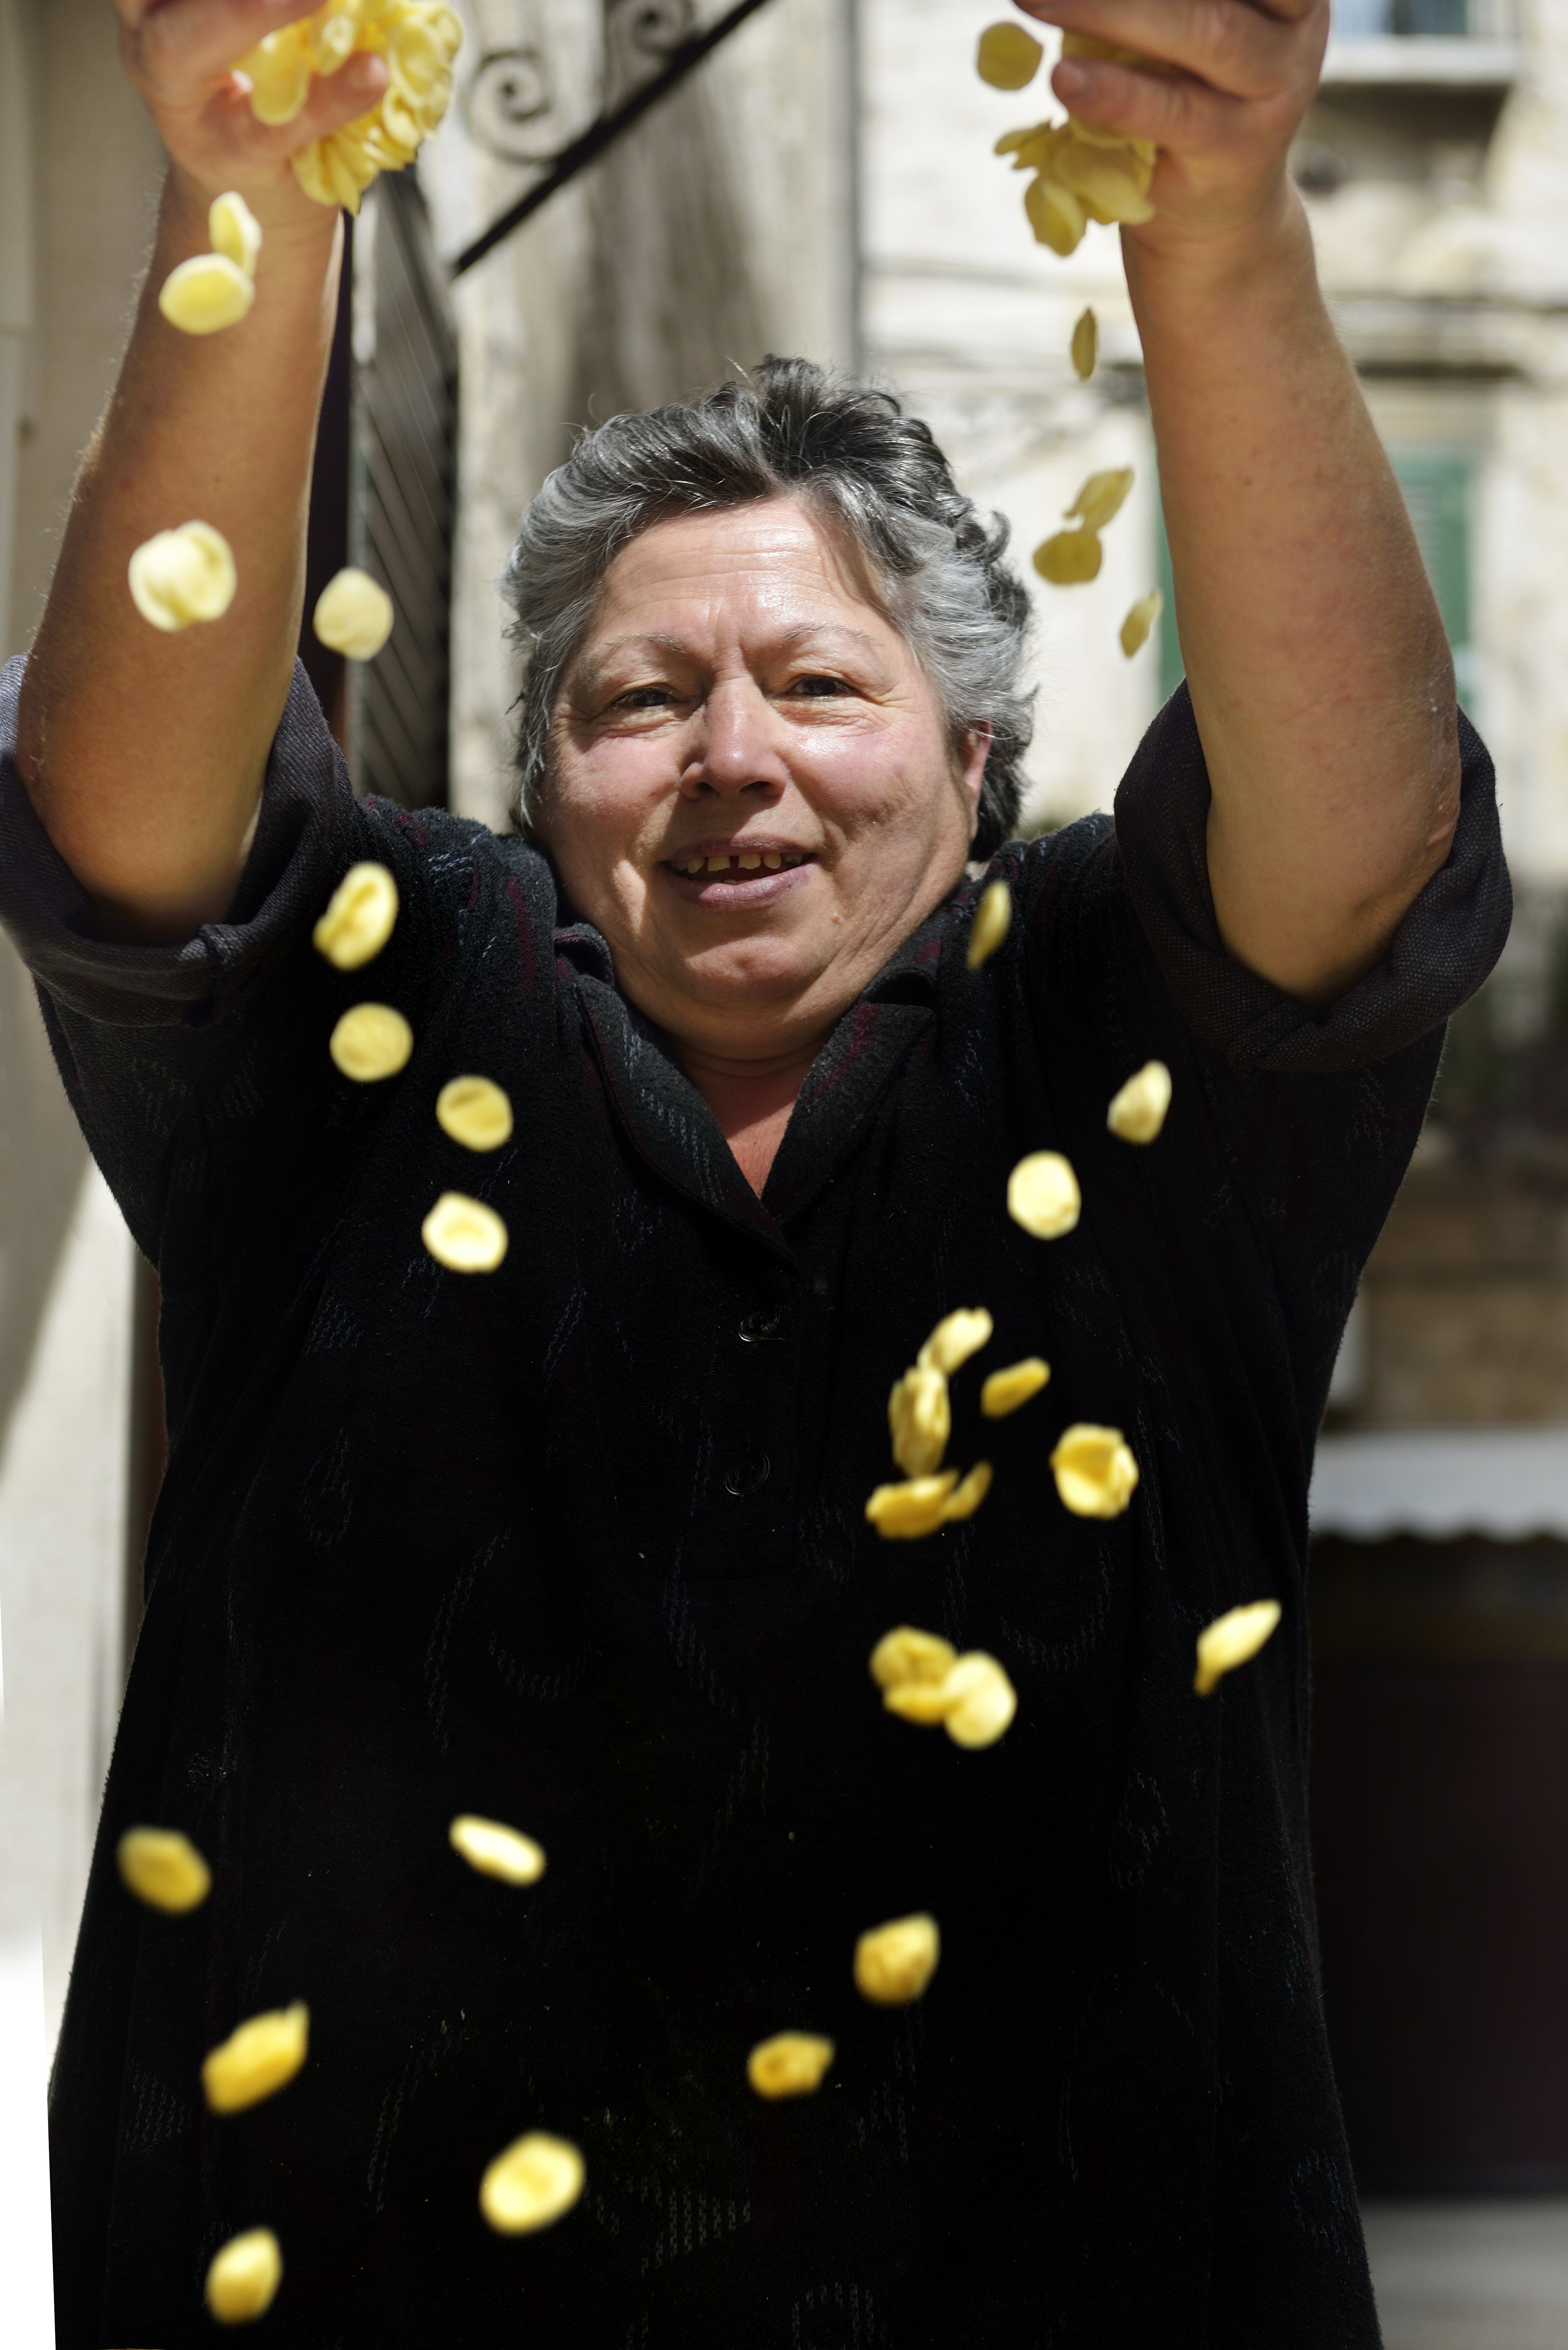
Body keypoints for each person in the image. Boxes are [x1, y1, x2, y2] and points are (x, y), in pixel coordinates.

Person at [0, 0, 1509, 2342]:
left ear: (976, 757)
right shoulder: (401, 1009)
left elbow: (1357, 842)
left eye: (818, 686)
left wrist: (1212, 233)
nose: (728, 762)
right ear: (539, 771)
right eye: (634, 701)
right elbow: (122, 832)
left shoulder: (1111, 1023)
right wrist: (248, 204)